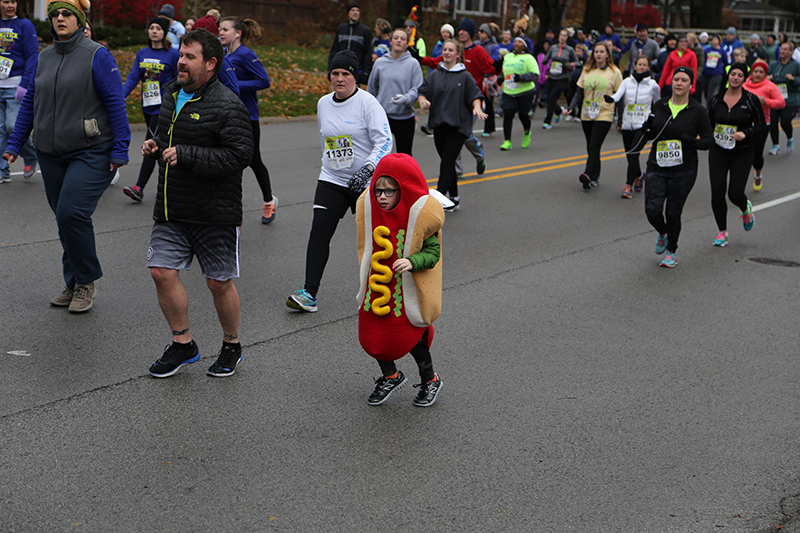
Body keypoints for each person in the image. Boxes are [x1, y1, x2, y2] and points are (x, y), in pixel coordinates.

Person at [4, 0, 130, 312]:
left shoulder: (96, 55)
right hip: (49, 152)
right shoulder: (45, 58)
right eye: (55, 14)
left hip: (90, 150)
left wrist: (121, 147)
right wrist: (14, 144)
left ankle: (86, 282)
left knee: (72, 213)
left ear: (79, 19)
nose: (60, 18)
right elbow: (31, 102)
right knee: (64, 220)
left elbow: (115, 103)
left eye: (67, 14)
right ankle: (73, 282)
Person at [144, 29, 254, 378]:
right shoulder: (171, 94)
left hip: (214, 211)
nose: (180, 61)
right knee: (161, 272)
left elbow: (240, 155)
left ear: (210, 63)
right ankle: (183, 344)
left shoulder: (227, 104)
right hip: (172, 207)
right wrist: (155, 145)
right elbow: (169, 138)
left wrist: (188, 155)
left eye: (190, 57)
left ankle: (231, 345)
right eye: (181, 54)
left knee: (218, 283)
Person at [286, 50, 392, 313]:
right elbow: (325, 140)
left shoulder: (368, 104)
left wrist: (368, 170)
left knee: (373, 242)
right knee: (319, 232)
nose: (340, 78)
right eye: (335, 73)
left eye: (346, 73)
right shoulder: (323, 103)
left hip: (365, 183)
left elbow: (385, 141)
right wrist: (331, 167)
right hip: (332, 178)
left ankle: (380, 292)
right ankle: (309, 294)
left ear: (355, 76)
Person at [356, 153, 445, 407]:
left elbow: (432, 252)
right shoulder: (373, 212)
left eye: (389, 191)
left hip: (405, 298)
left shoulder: (419, 218)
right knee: (375, 338)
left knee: (412, 339)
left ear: (403, 190)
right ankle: (391, 376)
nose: (382, 197)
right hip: (377, 293)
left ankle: (430, 380)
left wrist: (412, 261)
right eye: (378, 191)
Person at [642, 66, 713, 268]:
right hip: (657, 165)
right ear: (671, 82)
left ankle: (671, 251)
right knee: (652, 210)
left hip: (684, 169)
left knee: (673, 212)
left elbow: (709, 141)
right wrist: (646, 131)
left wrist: (692, 141)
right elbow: (650, 132)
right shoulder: (659, 105)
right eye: (676, 79)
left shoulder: (697, 110)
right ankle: (663, 232)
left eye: (684, 80)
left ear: (691, 85)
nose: (679, 83)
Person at [219, 16, 277, 224]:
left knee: (253, 160)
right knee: (229, 162)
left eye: (225, 29)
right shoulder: (222, 54)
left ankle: (269, 201)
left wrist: (235, 84)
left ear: (238, 33)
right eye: (220, 29)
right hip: (227, 116)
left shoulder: (246, 55)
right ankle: (231, 208)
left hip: (247, 116)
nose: (221, 32)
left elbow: (264, 81)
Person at [418, 38, 486, 211]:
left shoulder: (465, 76)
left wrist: (477, 107)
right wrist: (423, 100)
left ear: (458, 54)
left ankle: (438, 200)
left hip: (458, 127)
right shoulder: (434, 74)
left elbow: (475, 95)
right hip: (439, 125)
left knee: (447, 162)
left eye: (450, 50)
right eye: (445, 50)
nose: (447, 53)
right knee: (447, 162)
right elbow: (423, 91)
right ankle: (454, 198)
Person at [420, 18, 491, 176]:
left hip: (470, 101)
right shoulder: (449, 51)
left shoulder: (478, 51)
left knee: (465, 135)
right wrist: (419, 59)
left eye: (465, 30)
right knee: (451, 136)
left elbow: (490, 67)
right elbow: (436, 62)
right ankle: (455, 169)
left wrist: (498, 67)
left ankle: (479, 157)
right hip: (451, 100)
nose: (461, 32)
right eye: (460, 30)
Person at [121, 17, 179, 203]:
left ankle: (139, 187)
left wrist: (172, 100)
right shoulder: (142, 53)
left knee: (150, 144)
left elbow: (180, 80)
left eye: (158, 28)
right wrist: (118, 97)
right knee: (158, 147)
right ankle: (171, 187)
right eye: (151, 28)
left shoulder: (172, 54)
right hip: (147, 105)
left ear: (164, 32)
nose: (154, 31)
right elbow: (132, 78)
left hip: (163, 108)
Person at [707, 62, 764, 248]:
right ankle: (722, 231)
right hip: (718, 151)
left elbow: (762, 126)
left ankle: (745, 208)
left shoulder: (750, 100)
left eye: (740, 75)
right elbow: (708, 124)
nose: (735, 77)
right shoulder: (716, 100)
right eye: (733, 74)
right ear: (728, 76)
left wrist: (745, 134)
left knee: (735, 193)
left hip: (742, 152)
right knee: (717, 191)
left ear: (744, 78)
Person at [564, 41, 622, 190]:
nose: (598, 54)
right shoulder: (587, 70)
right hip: (587, 113)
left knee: (594, 145)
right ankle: (595, 177)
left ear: (607, 54)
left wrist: (620, 118)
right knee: (592, 148)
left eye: (602, 52)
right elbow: (579, 92)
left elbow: (620, 95)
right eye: (596, 52)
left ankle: (588, 173)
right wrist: (571, 107)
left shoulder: (614, 72)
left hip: (604, 113)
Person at [605, 55, 660, 198]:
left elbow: (658, 103)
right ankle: (639, 175)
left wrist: (653, 120)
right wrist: (610, 99)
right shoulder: (627, 82)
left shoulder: (653, 85)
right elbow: (618, 96)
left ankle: (628, 186)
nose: (641, 67)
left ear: (648, 67)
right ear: (634, 66)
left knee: (634, 152)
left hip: (643, 125)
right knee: (630, 155)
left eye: (644, 65)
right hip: (627, 124)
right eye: (639, 64)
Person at [367, 27, 423, 156]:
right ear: (391, 41)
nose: (399, 41)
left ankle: (404, 177)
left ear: (407, 43)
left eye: (403, 39)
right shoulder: (380, 63)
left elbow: (417, 88)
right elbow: (372, 89)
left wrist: (406, 98)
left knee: (404, 156)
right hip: (383, 117)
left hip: (405, 117)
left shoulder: (413, 64)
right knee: (380, 154)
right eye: (396, 38)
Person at [0, 0, 38, 184]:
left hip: (16, 85)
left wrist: (25, 84)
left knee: (12, 127)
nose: (10, 5)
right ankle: (3, 171)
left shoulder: (25, 25)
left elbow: (32, 55)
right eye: (6, 1)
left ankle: (31, 156)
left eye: (13, 1)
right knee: (0, 131)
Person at [743, 59, 784, 191]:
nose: (758, 74)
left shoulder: (770, 86)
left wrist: (765, 101)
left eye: (762, 72)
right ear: (752, 72)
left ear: (765, 74)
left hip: (761, 124)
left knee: (757, 154)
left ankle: (758, 174)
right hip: (744, 123)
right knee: (742, 153)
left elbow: (781, 102)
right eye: (756, 71)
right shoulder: (744, 85)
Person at [498, 36, 538, 150]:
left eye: (519, 42)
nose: (516, 43)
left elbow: (535, 75)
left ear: (524, 45)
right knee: (508, 115)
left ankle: (526, 132)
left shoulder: (529, 58)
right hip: (509, 92)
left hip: (525, 92)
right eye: (515, 41)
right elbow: (506, 71)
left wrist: (520, 77)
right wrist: (501, 78)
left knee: (523, 115)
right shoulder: (508, 57)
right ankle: (507, 141)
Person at [767, 42, 800, 155]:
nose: (782, 51)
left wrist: (794, 79)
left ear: (791, 52)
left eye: (786, 49)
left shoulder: (796, 65)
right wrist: (768, 77)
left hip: (789, 99)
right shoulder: (774, 64)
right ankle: (775, 145)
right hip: (774, 98)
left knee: (785, 122)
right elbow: (765, 76)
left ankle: (790, 138)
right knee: (773, 122)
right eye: (782, 49)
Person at [328, 2, 371, 85]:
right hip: (340, 67)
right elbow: (334, 50)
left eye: (357, 10)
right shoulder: (341, 29)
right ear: (348, 13)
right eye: (353, 10)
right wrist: (330, 68)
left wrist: (366, 71)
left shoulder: (365, 31)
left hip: (357, 69)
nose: (355, 12)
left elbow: (368, 52)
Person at [542, 28, 578, 129]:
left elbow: (576, 62)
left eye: (564, 36)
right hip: (552, 76)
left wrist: (570, 64)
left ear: (567, 38)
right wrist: (544, 61)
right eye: (561, 35)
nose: (562, 37)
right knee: (549, 99)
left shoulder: (569, 50)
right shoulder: (553, 48)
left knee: (553, 97)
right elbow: (546, 59)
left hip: (563, 78)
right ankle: (558, 111)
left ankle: (547, 121)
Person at [701, 34, 729, 104]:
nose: (714, 41)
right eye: (713, 39)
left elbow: (726, 63)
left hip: (716, 73)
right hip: (706, 73)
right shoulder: (707, 50)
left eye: (715, 39)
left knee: (711, 92)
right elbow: (703, 61)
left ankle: (708, 109)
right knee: (706, 92)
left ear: (719, 41)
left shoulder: (722, 51)